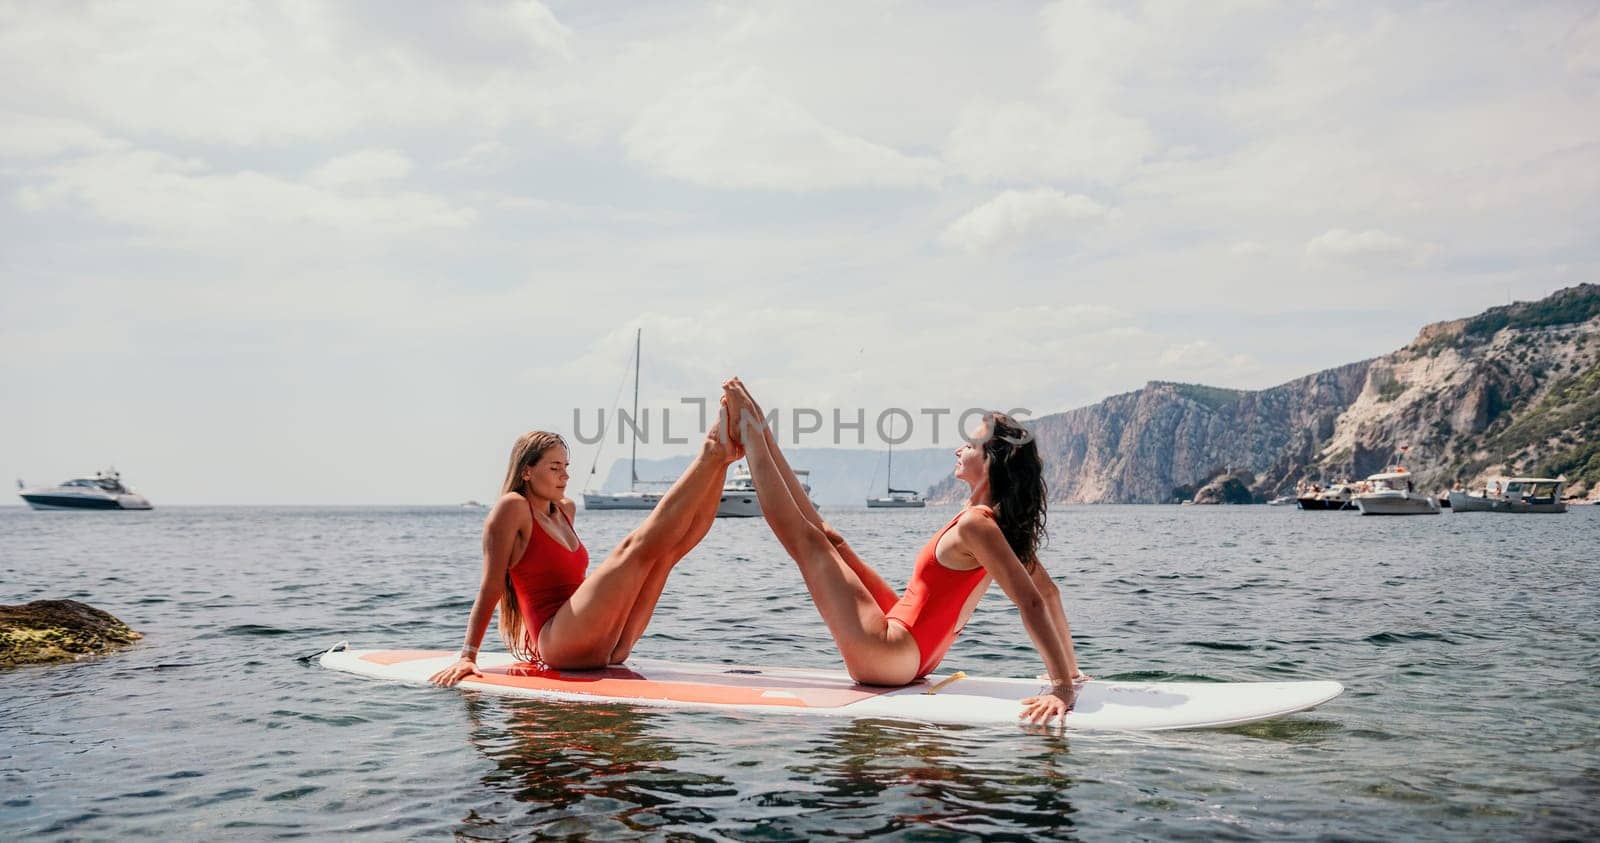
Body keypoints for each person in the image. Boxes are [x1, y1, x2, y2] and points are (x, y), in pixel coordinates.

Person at [721, 378, 1085, 724]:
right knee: (830, 539)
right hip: (912, 652)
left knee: (805, 540)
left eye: (970, 447)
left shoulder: (978, 524)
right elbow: (1049, 593)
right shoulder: (994, 525)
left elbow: (1034, 602)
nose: (958, 450)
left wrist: (1062, 689)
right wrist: (1068, 669)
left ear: (991, 462)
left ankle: (751, 432)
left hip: (891, 656)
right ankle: (758, 428)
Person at [429, 400, 741, 686]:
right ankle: (710, 451)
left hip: (606, 646)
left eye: (566, 468)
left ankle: (720, 462)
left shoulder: (565, 510)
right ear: (526, 471)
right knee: (634, 550)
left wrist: (723, 466)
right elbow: (491, 586)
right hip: (558, 642)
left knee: (667, 553)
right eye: (554, 468)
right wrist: (468, 656)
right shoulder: (513, 508)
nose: (564, 476)